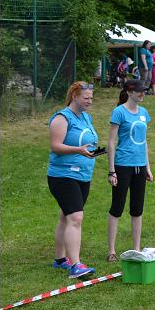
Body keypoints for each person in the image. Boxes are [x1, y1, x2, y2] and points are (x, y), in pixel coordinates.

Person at [47, 82, 98, 278]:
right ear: (75, 96)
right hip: (63, 176)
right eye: (86, 97)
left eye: (91, 98)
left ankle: (60, 260)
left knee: (66, 216)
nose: (89, 101)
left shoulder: (86, 117)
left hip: (82, 175)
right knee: (75, 218)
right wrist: (79, 150)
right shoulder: (61, 118)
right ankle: (75, 265)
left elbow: (87, 142)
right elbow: (55, 146)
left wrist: (91, 152)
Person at [106, 79, 154, 262]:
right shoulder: (119, 112)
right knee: (117, 208)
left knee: (137, 209)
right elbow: (111, 142)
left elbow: (144, 141)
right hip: (122, 165)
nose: (143, 94)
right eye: (140, 91)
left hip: (139, 166)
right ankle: (111, 251)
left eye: (144, 91)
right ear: (129, 92)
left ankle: (136, 248)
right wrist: (112, 171)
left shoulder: (144, 113)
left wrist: (147, 167)